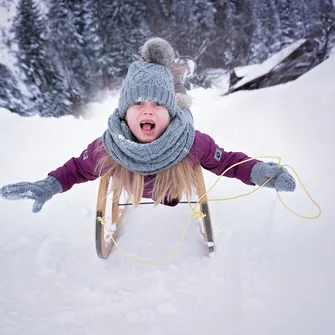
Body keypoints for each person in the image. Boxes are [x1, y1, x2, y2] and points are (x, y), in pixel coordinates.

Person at [0, 37, 296, 213]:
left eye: (157, 106)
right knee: (167, 93)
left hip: (175, 153)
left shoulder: (191, 143)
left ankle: (174, 82)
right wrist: (48, 185)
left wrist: (260, 172)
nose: (148, 111)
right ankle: (171, 78)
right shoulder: (110, 146)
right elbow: (77, 169)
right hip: (152, 151)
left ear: (168, 113)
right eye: (138, 104)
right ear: (124, 113)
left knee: (178, 99)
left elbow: (228, 163)